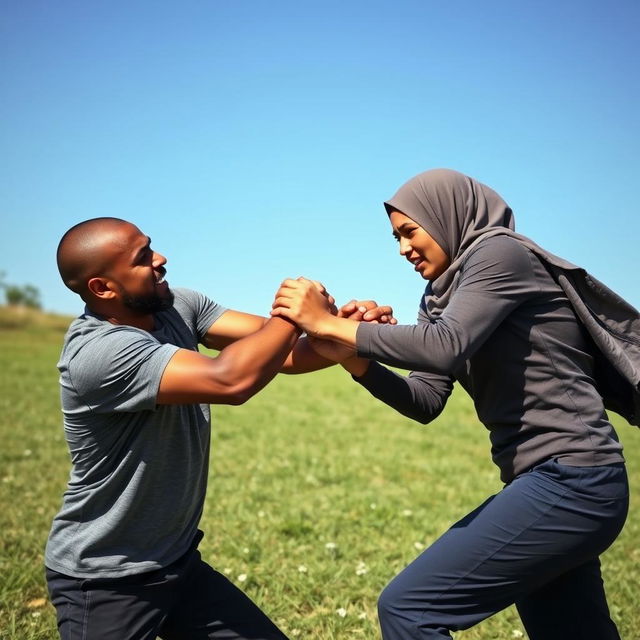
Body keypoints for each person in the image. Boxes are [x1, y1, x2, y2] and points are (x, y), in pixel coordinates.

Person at [271, 168, 638, 640]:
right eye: (395, 238)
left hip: (576, 480)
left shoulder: (500, 253)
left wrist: (331, 325)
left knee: (409, 609)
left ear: (446, 217)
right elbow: (425, 400)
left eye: (409, 232)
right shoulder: (441, 295)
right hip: (548, 484)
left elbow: (446, 344)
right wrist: (355, 361)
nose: (403, 248)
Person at [47, 216, 395, 640]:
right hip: (105, 578)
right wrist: (295, 312)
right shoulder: (98, 353)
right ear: (103, 288)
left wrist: (343, 330)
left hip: (177, 564)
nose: (161, 260)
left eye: (151, 246)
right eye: (143, 259)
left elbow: (282, 354)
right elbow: (230, 380)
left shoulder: (176, 305)